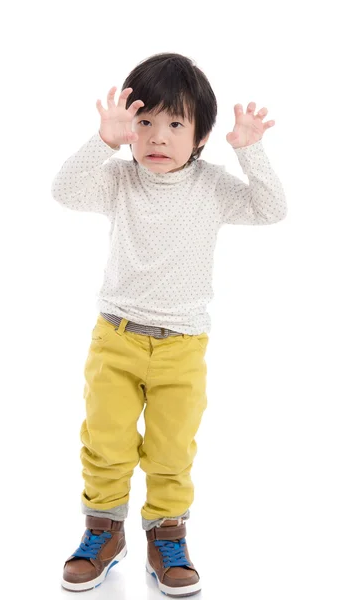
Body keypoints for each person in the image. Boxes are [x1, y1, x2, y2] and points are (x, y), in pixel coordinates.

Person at [51, 51, 287, 597]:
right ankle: (103, 531)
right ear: (131, 128)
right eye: (145, 121)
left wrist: (251, 152)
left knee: (171, 448)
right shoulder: (119, 180)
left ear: (201, 134)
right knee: (105, 439)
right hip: (116, 337)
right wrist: (104, 142)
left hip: (182, 346)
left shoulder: (212, 186)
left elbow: (271, 208)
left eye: (175, 123)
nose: (158, 136)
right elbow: (64, 190)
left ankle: (167, 533)